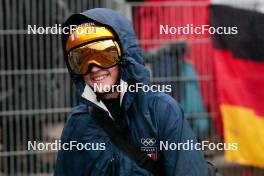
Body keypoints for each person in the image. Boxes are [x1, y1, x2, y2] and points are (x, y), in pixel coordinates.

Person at [55, 8, 208, 176]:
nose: (94, 68)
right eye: (81, 59)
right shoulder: (78, 125)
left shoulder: (161, 112)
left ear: (125, 56)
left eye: (104, 55)